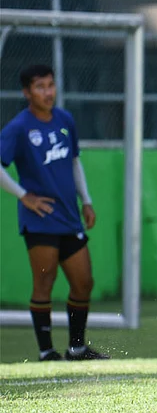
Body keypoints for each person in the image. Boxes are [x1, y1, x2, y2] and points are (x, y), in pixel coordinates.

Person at [0, 64, 109, 361]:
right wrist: (24, 196)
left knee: (84, 282)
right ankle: (46, 351)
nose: (48, 92)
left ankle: (77, 348)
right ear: (27, 93)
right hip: (40, 219)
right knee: (45, 282)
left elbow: (74, 162)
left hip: (69, 216)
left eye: (50, 85)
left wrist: (86, 200)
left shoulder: (64, 120)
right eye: (40, 87)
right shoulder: (20, 127)